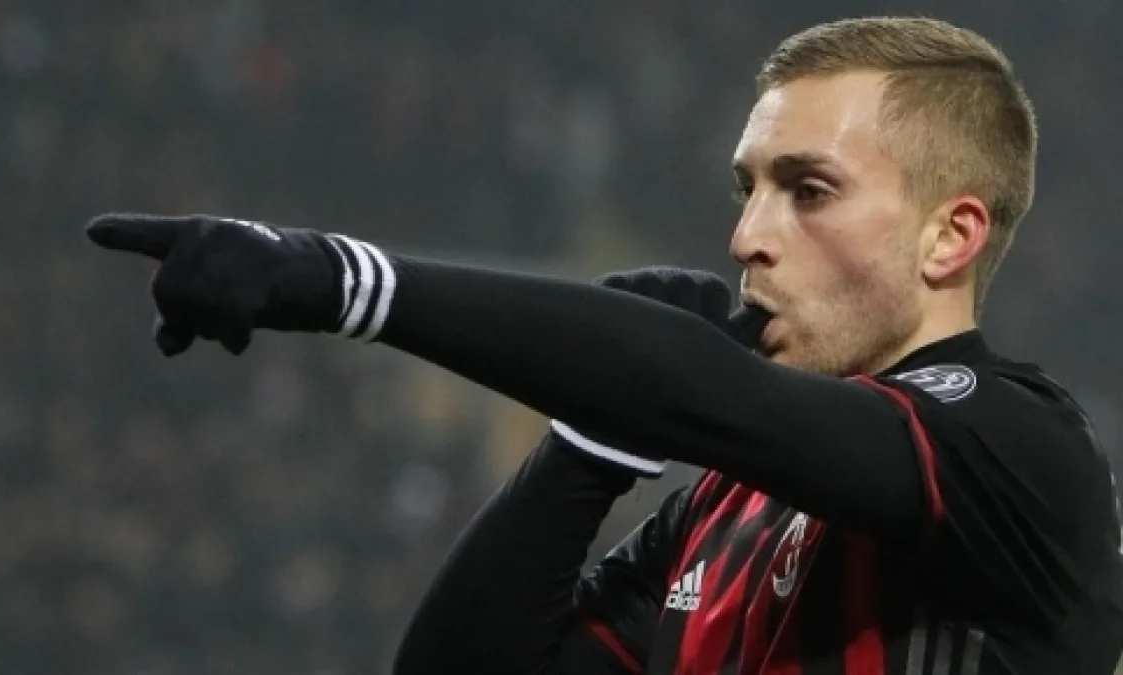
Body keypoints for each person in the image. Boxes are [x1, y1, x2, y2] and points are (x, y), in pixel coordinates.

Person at [85, 15, 1123, 674]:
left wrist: (339, 280)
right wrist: (586, 447)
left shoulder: (1019, 451)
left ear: (950, 236)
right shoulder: (720, 511)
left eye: (809, 191)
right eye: (748, 189)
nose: (747, 237)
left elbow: (705, 394)